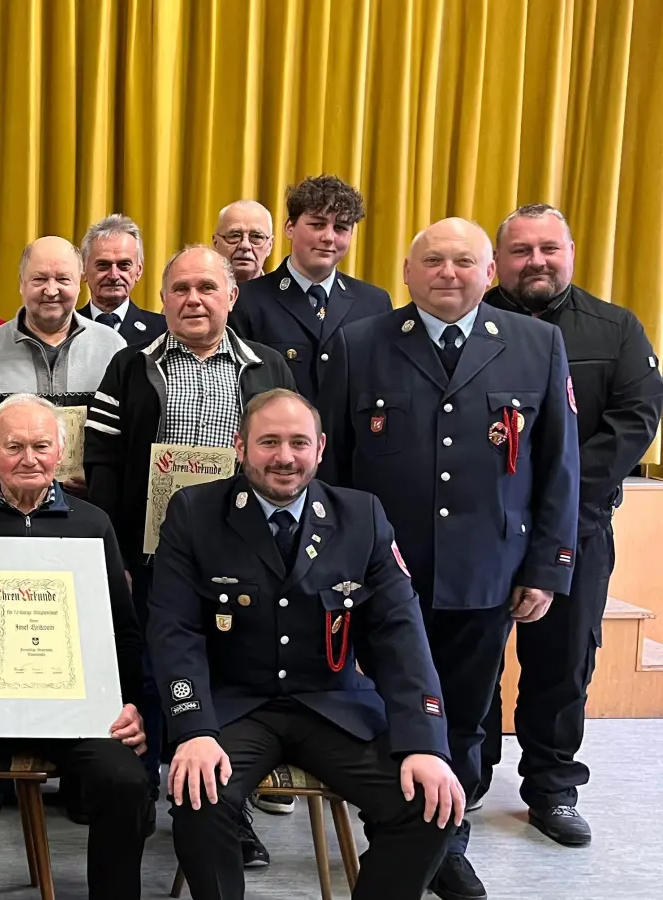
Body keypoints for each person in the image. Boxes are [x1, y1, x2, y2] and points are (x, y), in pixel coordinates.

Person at [317, 217, 579, 900]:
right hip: (380, 577)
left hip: (485, 572)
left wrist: (547, 568)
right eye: (432, 260)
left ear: (489, 272)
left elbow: (558, 468)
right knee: (383, 712)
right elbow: (334, 471)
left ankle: (447, 845)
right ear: (407, 272)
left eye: (465, 261)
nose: (448, 273)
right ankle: (399, 836)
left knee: (464, 717)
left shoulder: (536, 344)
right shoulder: (358, 345)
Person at [150, 388, 463, 899]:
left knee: (429, 804)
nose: (284, 458)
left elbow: (398, 634)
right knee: (198, 796)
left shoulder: (361, 516)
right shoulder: (195, 512)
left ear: (320, 448)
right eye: (268, 442)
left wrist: (425, 743)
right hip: (235, 707)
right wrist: (192, 728)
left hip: (331, 703)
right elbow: (173, 630)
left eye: (298, 442)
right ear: (239, 447)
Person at [84, 245, 293, 859]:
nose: (193, 299)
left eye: (207, 287)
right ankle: (146, 794)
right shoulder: (129, 365)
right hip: (153, 553)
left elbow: (289, 457)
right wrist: (115, 550)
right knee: (152, 672)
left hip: (245, 553)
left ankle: (227, 807)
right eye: (180, 289)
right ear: (164, 298)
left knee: (232, 676)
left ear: (231, 297)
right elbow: (100, 462)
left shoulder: (268, 367)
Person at [0, 394, 151, 900]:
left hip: (76, 708)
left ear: (60, 452)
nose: (29, 458)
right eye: (14, 446)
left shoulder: (92, 524)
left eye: (41, 446)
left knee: (125, 780)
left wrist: (130, 703)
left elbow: (122, 631)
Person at [478, 204, 663, 846]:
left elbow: (633, 423)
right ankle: (469, 777)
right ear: (498, 260)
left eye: (549, 248)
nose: (537, 261)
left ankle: (552, 788)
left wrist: (558, 510)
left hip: (575, 530)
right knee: (467, 658)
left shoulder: (615, 330)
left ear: (571, 251)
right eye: (522, 250)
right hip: (479, 530)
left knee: (561, 664)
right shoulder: (465, 324)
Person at [229, 175, 392, 407]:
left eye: (341, 227)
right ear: (289, 228)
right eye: (317, 224)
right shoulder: (247, 300)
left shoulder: (374, 303)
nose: (328, 237)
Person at [0, 235, 126, 406]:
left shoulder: (112, 348)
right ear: (21, 283)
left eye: (63, 279)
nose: (51, 291)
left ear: (79, 284)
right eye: (39, 279)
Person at [77, 214, 167, 348]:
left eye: (124, 265)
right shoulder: (66, 328)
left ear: (139, 271)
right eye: (103, 265)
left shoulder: (163, 330)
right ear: (83, 270)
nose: (114, 275)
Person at [210, 200, 275, 284]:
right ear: (215, 243)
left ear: (270, 246)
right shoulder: (194, 294)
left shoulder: (285, 295)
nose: (245, 245)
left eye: (256, 236)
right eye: (234, 236)